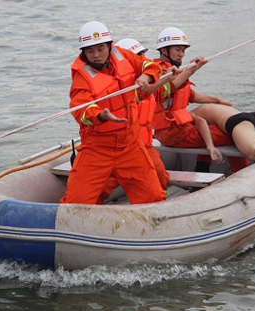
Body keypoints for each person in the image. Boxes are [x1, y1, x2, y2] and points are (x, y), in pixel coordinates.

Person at [61, 22, 177, 205]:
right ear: (83, 52)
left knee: (152, 197)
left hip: (130, 144)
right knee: (76, 203)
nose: (96, 55)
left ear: (109, 45)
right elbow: (80, 108)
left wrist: (146, 77)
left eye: (100, 49)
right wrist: (101, 115)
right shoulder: (81, 75)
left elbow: (148, 65)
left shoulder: (122, 55)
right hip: (97, 149)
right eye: (90, 51)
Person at [152, 27, 249, 173]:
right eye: (177, 50)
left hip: (177, 131)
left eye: (183, 51)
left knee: (209, 127)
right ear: (164, 50)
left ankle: (202, 169)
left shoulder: (175, 70)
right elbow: (172, 86)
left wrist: (217, 100)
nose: (181, 54)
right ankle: (242, 172)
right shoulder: (161, 72)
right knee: (234, 132)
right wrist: (193, 69)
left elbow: (190, 95)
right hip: (176, 134)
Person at [97, 38, 170, 203]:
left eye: (144, 55)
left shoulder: (145, 83)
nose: (143, 59)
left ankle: (160, 203)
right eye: (140, 55)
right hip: (125, 144)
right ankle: (90, 208)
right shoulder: (123, 91)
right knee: (107, 181)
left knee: (159, 173)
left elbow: (160, 88)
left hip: (143, 144)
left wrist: (170, 77)